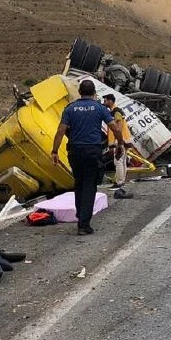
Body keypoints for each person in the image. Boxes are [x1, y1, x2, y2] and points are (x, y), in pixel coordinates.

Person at [51, 79, 113, 235]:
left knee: (79, 183)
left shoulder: (70, 109)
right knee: (90, 185)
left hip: (75, 151)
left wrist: (54, 151)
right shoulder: (100, 108)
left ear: (79, 92)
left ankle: (80, 215)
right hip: (93, 150)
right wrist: (119, 143)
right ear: (94, 93)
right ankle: (84, 224)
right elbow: (114, 127)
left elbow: (60, 131)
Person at [102, 94, 133, 190]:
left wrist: (118, 141)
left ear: (110, 101)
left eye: (105, 101)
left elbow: (118, 127)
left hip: (120, 140)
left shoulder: (116, 112)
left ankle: (119, 183)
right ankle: (122, 181)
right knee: (122, 161)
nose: (104, 103)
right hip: (124, 139)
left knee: (118, 161)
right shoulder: (115, 111)